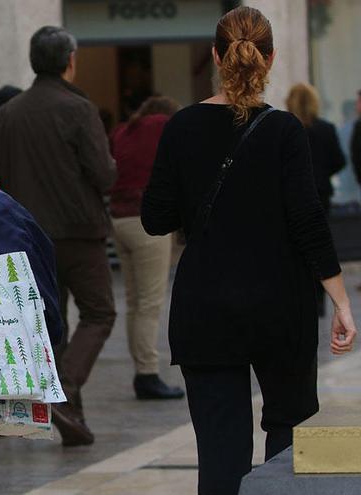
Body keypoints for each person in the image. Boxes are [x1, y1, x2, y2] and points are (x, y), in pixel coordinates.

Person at [141, 7, 357, 495]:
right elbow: (308, 223)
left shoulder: (181, 127)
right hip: (281, 306)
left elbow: (156, 218)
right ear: (271, 58)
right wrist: (342, 302)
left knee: (220, 453)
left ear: (215, 57)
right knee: (287, 440)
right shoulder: (285, 132)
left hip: (205, 307)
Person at [0, 26, 116, 447]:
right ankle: (65, 388)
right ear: (70, 60)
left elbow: (1, 180)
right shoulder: (78, 109)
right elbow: (104, 174)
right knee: (100, 312)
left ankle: (72, 419)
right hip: (79, 231)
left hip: (28, 236)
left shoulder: (9, 113)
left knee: (54, 324)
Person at [109, 95, 184, 400]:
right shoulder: (165, 126)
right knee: (151, 303)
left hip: (119, 220)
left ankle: (142, 369)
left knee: (134, 301)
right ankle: (148, 373)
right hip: (147, 221)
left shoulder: (123, 131)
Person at [285, 83, 346, 316]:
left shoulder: (287, 129)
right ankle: (319, 298)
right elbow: (339, 160)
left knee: (296, 246)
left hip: (294, 194)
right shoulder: (326, 129)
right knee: (320, 244)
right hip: (321, 192)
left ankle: (300, 295)